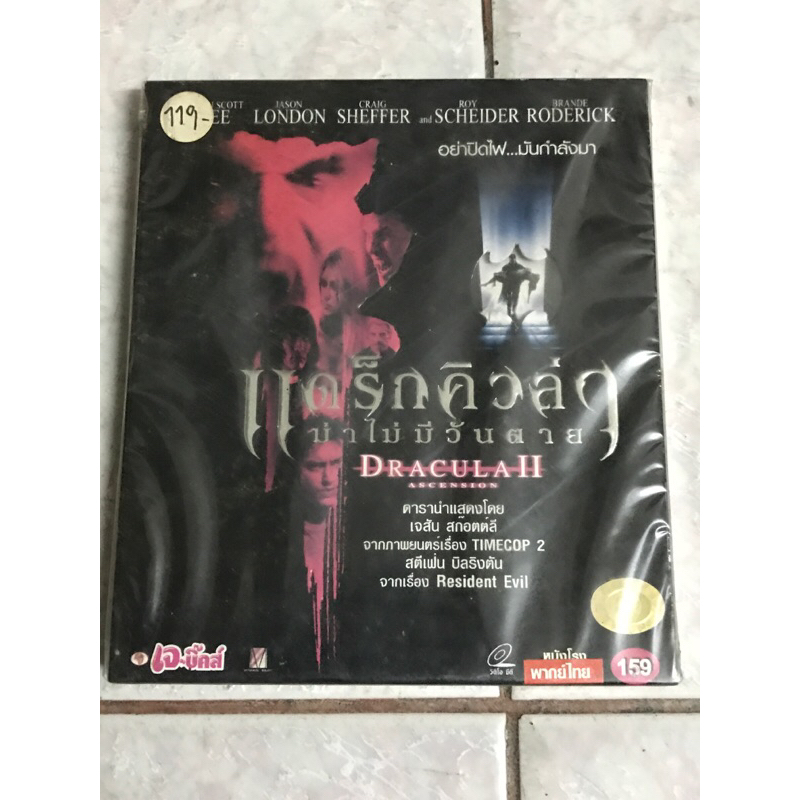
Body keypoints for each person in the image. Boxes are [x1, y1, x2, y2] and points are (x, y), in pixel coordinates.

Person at [482, 253, 540, 320]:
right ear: (509, 259)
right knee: (509, 298)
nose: (512, 260)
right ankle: (509, 311)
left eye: (513, 259)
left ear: (515, 259)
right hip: (508, 284)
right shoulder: (506, 267)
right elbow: (503, 273)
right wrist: (498, 274)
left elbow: (526, 272)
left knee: (515, 297)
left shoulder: (519, 266)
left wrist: (528, 272)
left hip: (516, 284)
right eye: (511, 259)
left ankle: (514, 310)